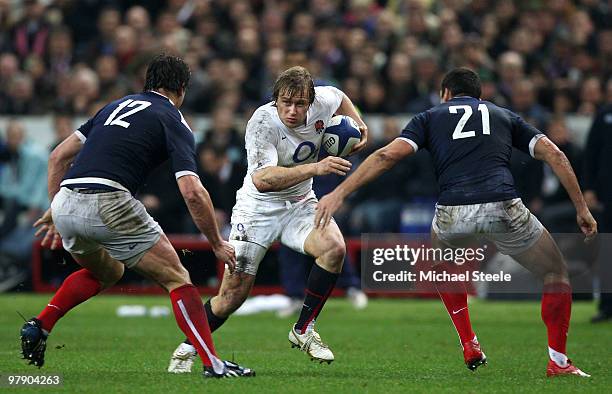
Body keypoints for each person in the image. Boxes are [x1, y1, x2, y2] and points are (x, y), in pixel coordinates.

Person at [315, 68, 597, 377]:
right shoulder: (502, 115)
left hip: (453, 210)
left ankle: (468, 340)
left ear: (445, 94)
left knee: (442, 264)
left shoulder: (429, 117)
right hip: (503, 205)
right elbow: (555, 155)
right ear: (479, 97)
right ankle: (558, 362)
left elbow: (385, 157)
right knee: (556, 273)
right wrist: (581, 209)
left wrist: (340, 192)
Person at [21, 54, 253, 378]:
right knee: (177, 278)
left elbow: (58, 156)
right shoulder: (173, 118)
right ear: (181, 89)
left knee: (108, 271)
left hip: (66, 201)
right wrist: (215, 242)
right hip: (109, 200)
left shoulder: (113, 107)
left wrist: (55, 209)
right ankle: (213, 364)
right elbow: (191, 190)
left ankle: (40, 325)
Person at [168, 66, 368, 373]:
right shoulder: (262, 122)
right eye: (285, 102)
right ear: (275, 99)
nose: (292, 110)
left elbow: (339, 96)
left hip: (300, 204)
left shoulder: (323, 101)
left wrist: (360, 124)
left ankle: (303, 329)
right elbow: (263, 179)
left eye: (300, 104)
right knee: (232, 295)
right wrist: (317, 168)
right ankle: (186, 348)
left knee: (334, 248)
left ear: (311, 102)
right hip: (257, 209)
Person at [583, 88, 612, 323]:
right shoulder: (604, 116)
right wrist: (589, 188)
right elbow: (590, 154)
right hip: (607, 192)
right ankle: (607, 305)